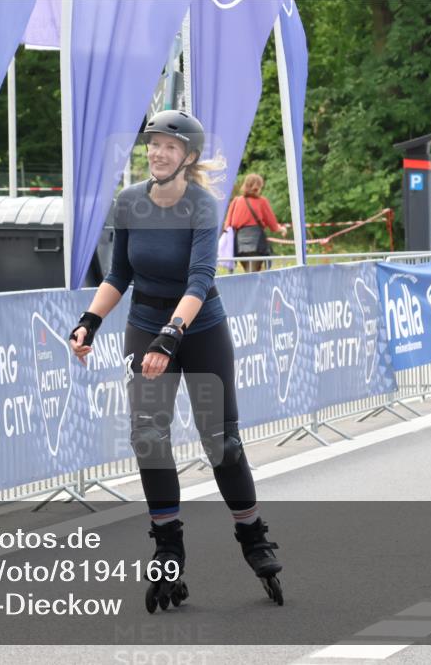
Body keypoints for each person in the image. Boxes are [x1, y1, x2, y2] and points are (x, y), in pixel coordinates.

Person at [68, 110, 283, 611]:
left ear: (188, 157)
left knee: (221, 442)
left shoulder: (202, 205)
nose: (158, 153)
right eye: (153, 145)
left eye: (169, 146)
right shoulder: (129, 201)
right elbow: (118, 275)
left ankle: (253, 537)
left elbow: (201, 276)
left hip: (199, 327)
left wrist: (172, 335)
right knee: (148, 438)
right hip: (146, 323)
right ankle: (168, 549)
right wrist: (90, 321)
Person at [222, 173, 287, 273]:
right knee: (253, 273)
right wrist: (282, 229)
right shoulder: (262, 202)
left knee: (250, 272)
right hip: (257, 244)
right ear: (259, 187)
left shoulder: (236, 201)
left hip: (239, 245)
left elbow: (227, 226)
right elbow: (273, 226)